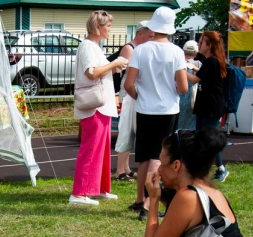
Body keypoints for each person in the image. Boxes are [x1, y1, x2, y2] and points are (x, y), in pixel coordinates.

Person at [124, 6, 188, 219]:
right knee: (156, 157)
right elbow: (183, 87)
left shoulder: (140, 49)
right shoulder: (177, 52)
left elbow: (129, 84)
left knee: (143, 156)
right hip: (167, 109)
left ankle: (139, 200)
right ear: (170, 28)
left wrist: (140, 96)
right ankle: (148, 204)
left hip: (144, 109)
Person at [70, 10, 127, 206]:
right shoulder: (87, 46)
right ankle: (79, 193)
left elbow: (98, 71)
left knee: (101, 150)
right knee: (90, 149)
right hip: (94, 107)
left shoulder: (94, 46)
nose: (109, 29)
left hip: (102, 106)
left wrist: (115, 66)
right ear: (97, 27)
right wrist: (114, 64)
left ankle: (99, 188)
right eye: (107, 26)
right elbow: (92, 73)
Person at [113, 20, 154, 183]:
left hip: (134, 93)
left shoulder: (140, 49)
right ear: (140, 34)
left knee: (131, 131)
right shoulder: (129, 48)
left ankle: (126, 168)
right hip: (129, 94)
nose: (152, 39)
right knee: (126, 130)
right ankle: (120, 170)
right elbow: (127, 72)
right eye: (149, 35)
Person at [186, 31, 228, 182]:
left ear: (209, 45)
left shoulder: (212, 61)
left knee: (209, 138)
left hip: (211, 105)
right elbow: (202, 76)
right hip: (206, 104)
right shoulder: (209, 60)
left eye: (201, 41)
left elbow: (195, 79)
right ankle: (206, 168)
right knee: (202, 137)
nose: (198, 44)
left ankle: (220, 168)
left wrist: (179, 69)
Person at [177, 40, 201, 130]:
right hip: (192, 99)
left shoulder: (178, 63)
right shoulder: (198, 65)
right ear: (196, 53)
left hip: (178, 97)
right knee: (190, 127)